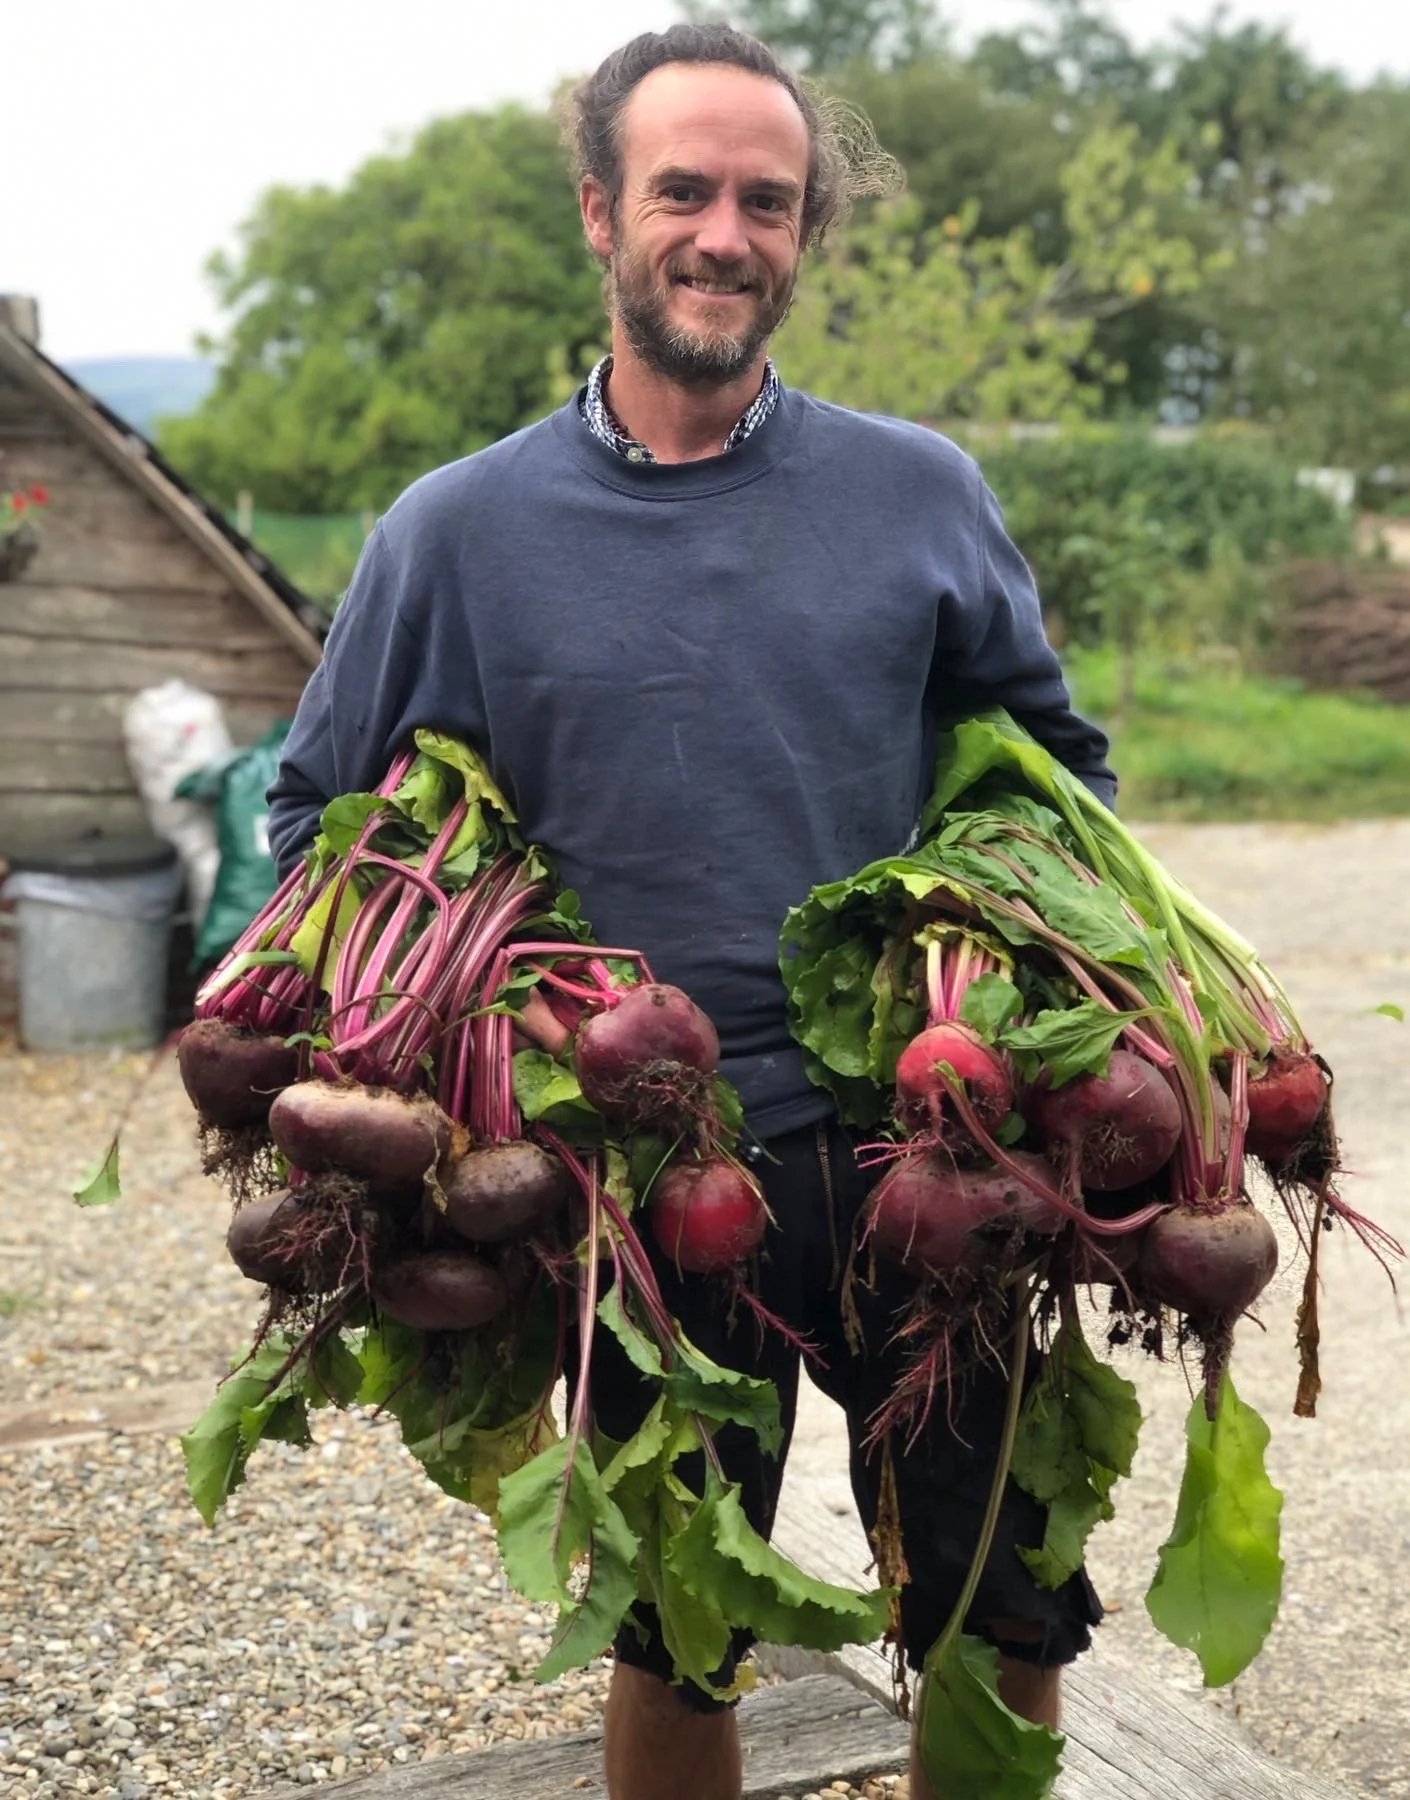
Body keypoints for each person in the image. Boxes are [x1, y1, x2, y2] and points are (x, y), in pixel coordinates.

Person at [268, 23, 1117, 1800]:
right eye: (684, 191)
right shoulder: (458, 532)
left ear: (804, 235)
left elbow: (1053, 777)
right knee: (683, 1618)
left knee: (999, 1598)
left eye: (768, 201)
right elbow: (320, 822)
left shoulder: (920, 492)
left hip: (926, 1144)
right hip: (635, 1189)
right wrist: (471, 1031)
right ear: (600, 212)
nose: (726, 233)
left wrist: (1028, 994)